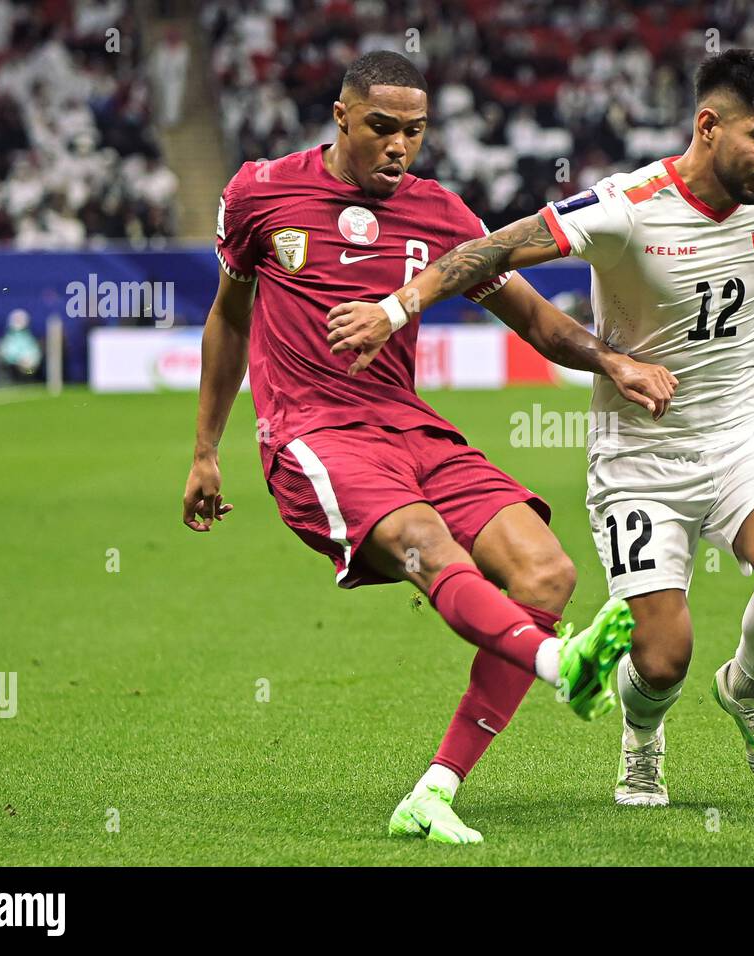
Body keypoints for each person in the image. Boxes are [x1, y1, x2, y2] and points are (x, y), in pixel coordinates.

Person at [327, 49, 754, 806]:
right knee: (663, 659)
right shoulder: (627, 206)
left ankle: (745, 690)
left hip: (741, 438)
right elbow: (492, 250)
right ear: (708, 127)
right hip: (639, 458)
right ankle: (643, 737)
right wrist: (395, 307)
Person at [183, 52, 676, 844]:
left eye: (414, 131)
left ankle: (435, 790)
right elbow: (229, 316)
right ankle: (564, 668)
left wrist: (612, 360)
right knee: (423, 539)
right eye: (381, 127)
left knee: (547, 572)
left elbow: (535, 320)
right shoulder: (260, 192)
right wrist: (206, 449)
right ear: (341, 116)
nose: (398, 146)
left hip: (411, 427)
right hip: (312, 432)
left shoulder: (443, 215)